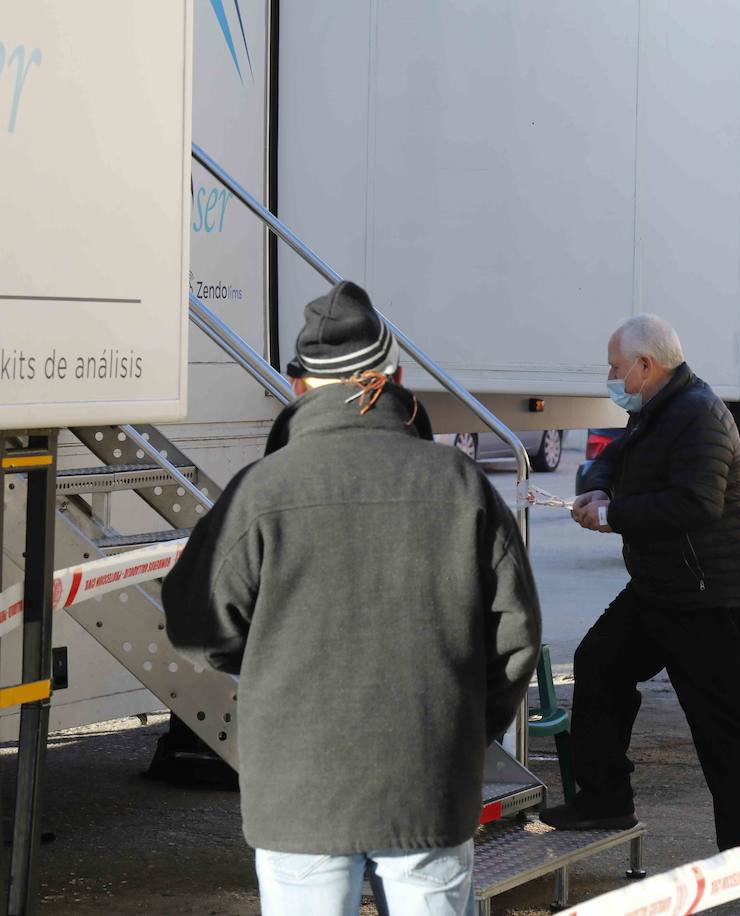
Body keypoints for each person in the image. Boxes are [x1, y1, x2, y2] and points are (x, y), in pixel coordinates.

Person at [163, 281, 541, 916]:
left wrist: (270, 670)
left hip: (299, 791)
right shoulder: (462, 486)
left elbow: (198, 627)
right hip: (429, 781)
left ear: (299, 388)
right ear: (394, 378)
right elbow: (517, 640)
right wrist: (467, 728)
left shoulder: (260, 492)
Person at [539, 314, 740, 851]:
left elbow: (696, 504)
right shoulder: (654, 410)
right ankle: (604, 800)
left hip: (713, 594)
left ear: (646, 366)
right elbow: (612, 460)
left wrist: (614, 515)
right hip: (662, 587)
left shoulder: (698, 414)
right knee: (600, 663)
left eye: (616, 368)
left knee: (723, 727)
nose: (612, 378)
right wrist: (597, 492)